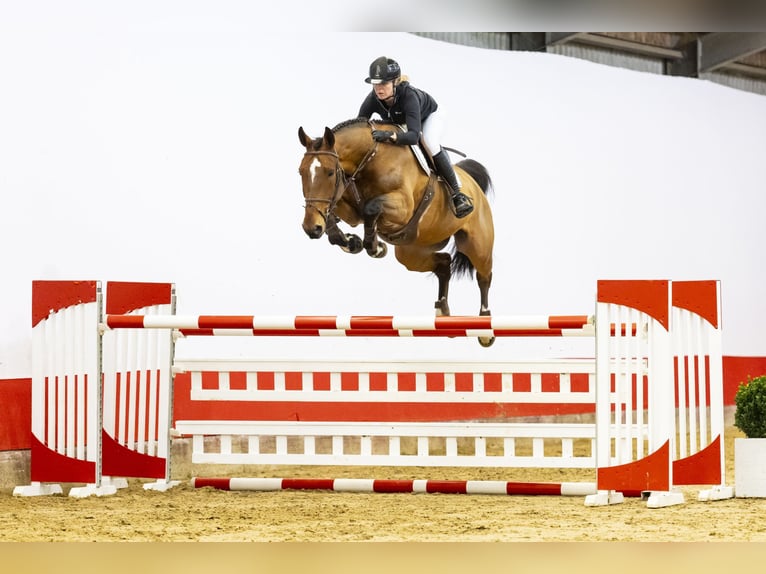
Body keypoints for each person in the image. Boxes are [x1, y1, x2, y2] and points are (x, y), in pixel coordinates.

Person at [357, 56, 474, 218]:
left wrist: (389, 135)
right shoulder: (373, 98)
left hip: (430, 116)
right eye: (375, 84)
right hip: (404, 121)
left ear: (395, 82)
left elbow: (413, 136)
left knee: (429, 142)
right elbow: (359, 126)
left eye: (383, 83)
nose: (379, 89)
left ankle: (457, 194)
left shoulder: (409, 96)